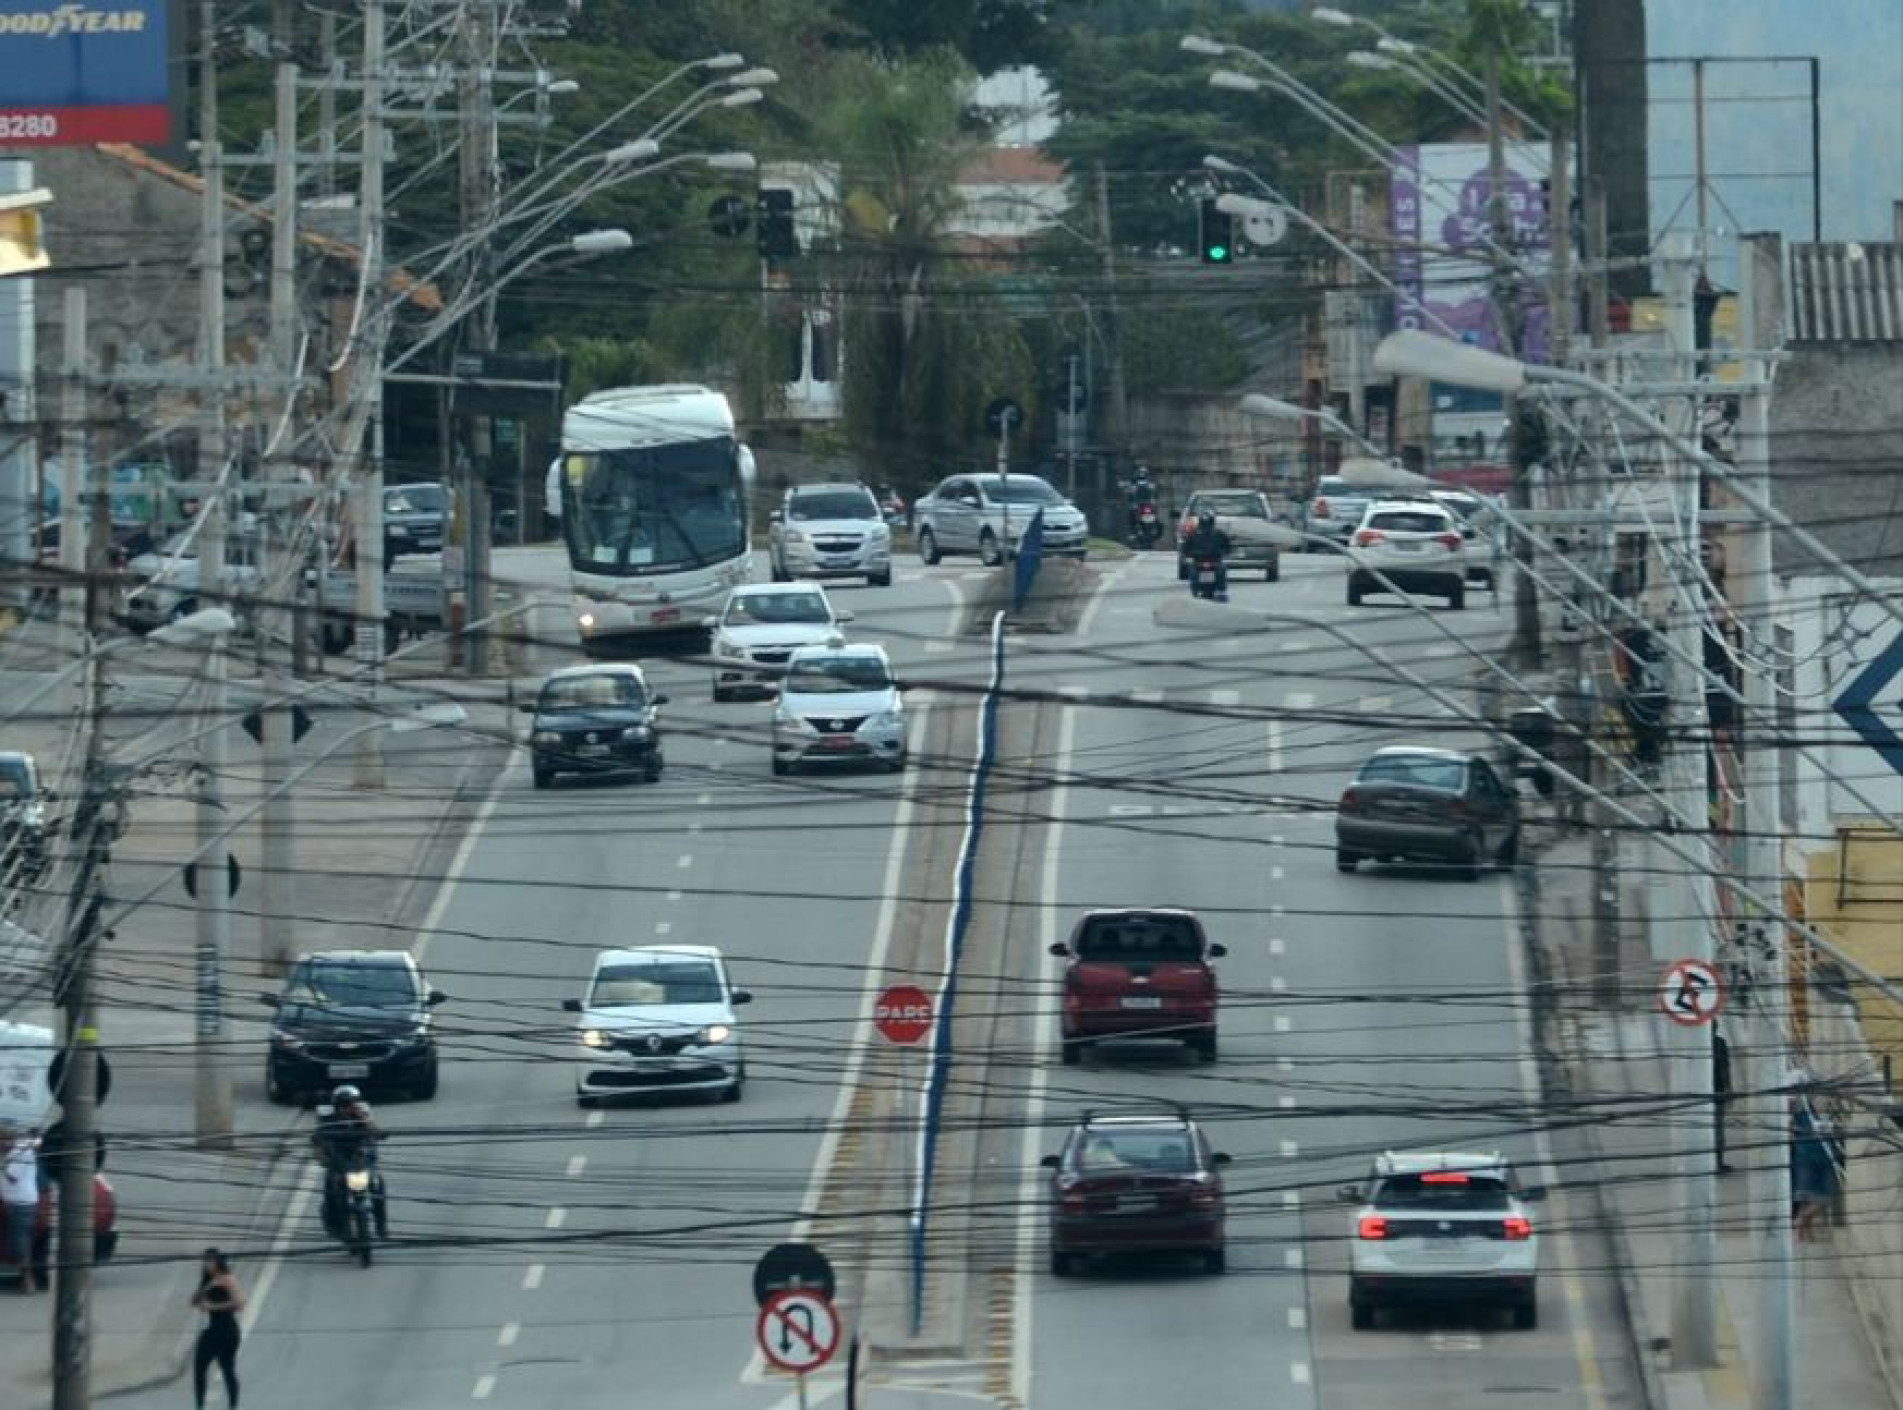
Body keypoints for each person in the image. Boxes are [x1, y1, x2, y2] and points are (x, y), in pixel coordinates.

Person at [313, 1085, 383, 1238]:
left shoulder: (361, 1120)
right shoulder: (329, 1123)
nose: (347, 1109)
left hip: (359, 1164)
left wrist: (363, 1119)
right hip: (338, 1165)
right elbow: (317, 1140)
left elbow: (376, 1133)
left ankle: (381, 1223)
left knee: (378, 1185)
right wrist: (321, 1156)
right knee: (330, 1190)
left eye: (350, 1105)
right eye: (343, 1106)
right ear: (336, 1107)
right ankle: (333, 1225)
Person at [191, 1247, 245, 1407]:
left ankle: (233, 1406)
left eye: (210, 1261)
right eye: (205, 1261)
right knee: (199, 1370)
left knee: (227, 1369)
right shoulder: (207, 1281)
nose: (207, 1264)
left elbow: (240, 1303)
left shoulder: (228, 1279)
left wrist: (213, 1306)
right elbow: (194, 1302)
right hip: (211, 1331)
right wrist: (205, 1289)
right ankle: (199, 1406)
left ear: (218, 1262)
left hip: (228, 1331)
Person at [1790, 1097, 1837, 1241]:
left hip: (1804, 1156)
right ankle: (1800, 1222)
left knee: (1806, 1198)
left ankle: (1805, 1235)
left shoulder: (1802, 1110)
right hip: (1815, 1157)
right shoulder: (1805, 1109)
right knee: (1823, 1198)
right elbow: (1824, 1127)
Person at [2, 1122, 40, 1293]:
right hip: (12, 1204)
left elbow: (12, 1177)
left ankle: (28, 1280)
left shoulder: (21, 1152)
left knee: (20, 1246)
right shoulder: (18, 1150)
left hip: (21, 1205)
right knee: (16, 1244)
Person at [1181, 511, 1232, 596]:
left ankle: (1220, 588)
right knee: (1193, 571)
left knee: (1221, 570)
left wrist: (1225, 553)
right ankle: (1198, 588)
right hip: (1199, 561)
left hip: (1214, 561)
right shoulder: (1194, 534)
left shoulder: (1218, 534)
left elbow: (1227, 546)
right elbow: (1186, 547)